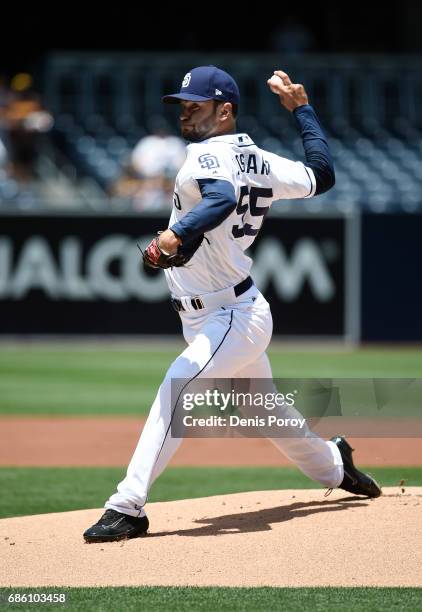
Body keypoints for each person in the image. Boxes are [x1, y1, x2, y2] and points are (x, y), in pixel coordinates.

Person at [83, 66, 381, 542]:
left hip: (230, 315)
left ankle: (128, 506)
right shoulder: (259, 159)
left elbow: (220, 198)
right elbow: (321, 176)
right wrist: (302, 109)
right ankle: (333, 463)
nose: (186, 113)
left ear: (225, 111)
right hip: (224, 310)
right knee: (262, 410)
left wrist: (176, 233)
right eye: (182, 105)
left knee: (178, 387)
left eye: (195, 106)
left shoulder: (206, 154)